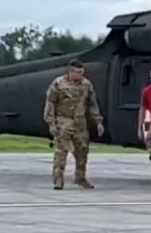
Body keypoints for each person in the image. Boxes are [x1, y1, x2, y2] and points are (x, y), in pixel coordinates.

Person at [43, 58, 105, 190]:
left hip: (80, 122)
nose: (81, 75)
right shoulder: (58, 83)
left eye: (82, 72)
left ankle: (80, 177)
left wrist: (98, 121)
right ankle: (58, 180)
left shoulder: (86, 84)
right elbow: (51, 103)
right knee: (62, 151)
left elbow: (92, 104)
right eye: (78, 72)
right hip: (63, 121)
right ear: (70, 72)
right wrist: (51, 123)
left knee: (82, 150)